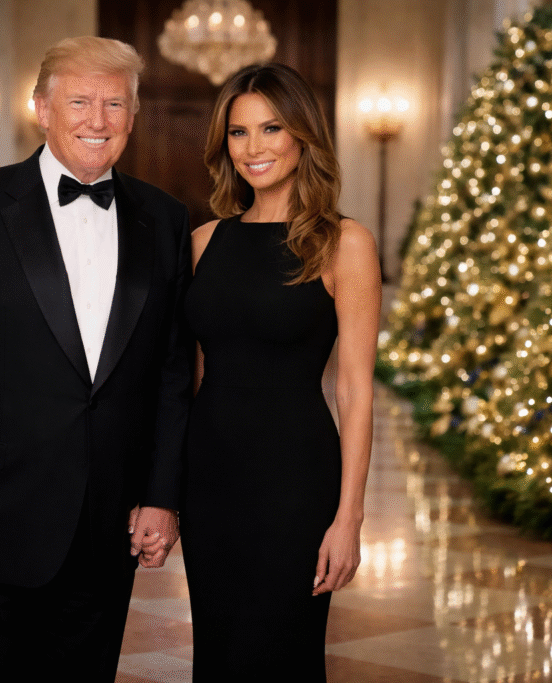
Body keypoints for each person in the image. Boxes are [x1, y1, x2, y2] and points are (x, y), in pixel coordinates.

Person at [0, 36, 192, 681]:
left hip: (106, 527)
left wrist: (160, 496)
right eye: (79, 101)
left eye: (115, 104)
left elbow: (172, 374)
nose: (97, 120)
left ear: (134, 118)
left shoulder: (166, 221)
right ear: (41, 108)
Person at [181, 63, 380, 680]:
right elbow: (187, 379)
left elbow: (353, 389)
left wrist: (348, 518)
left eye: (271, 128)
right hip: (210, 478)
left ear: (303, 136)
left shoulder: (343, 243)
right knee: (217, 649)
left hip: (294, 481)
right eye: (238, 133)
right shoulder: (204, 240)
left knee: (283, 654)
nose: (254, 147)